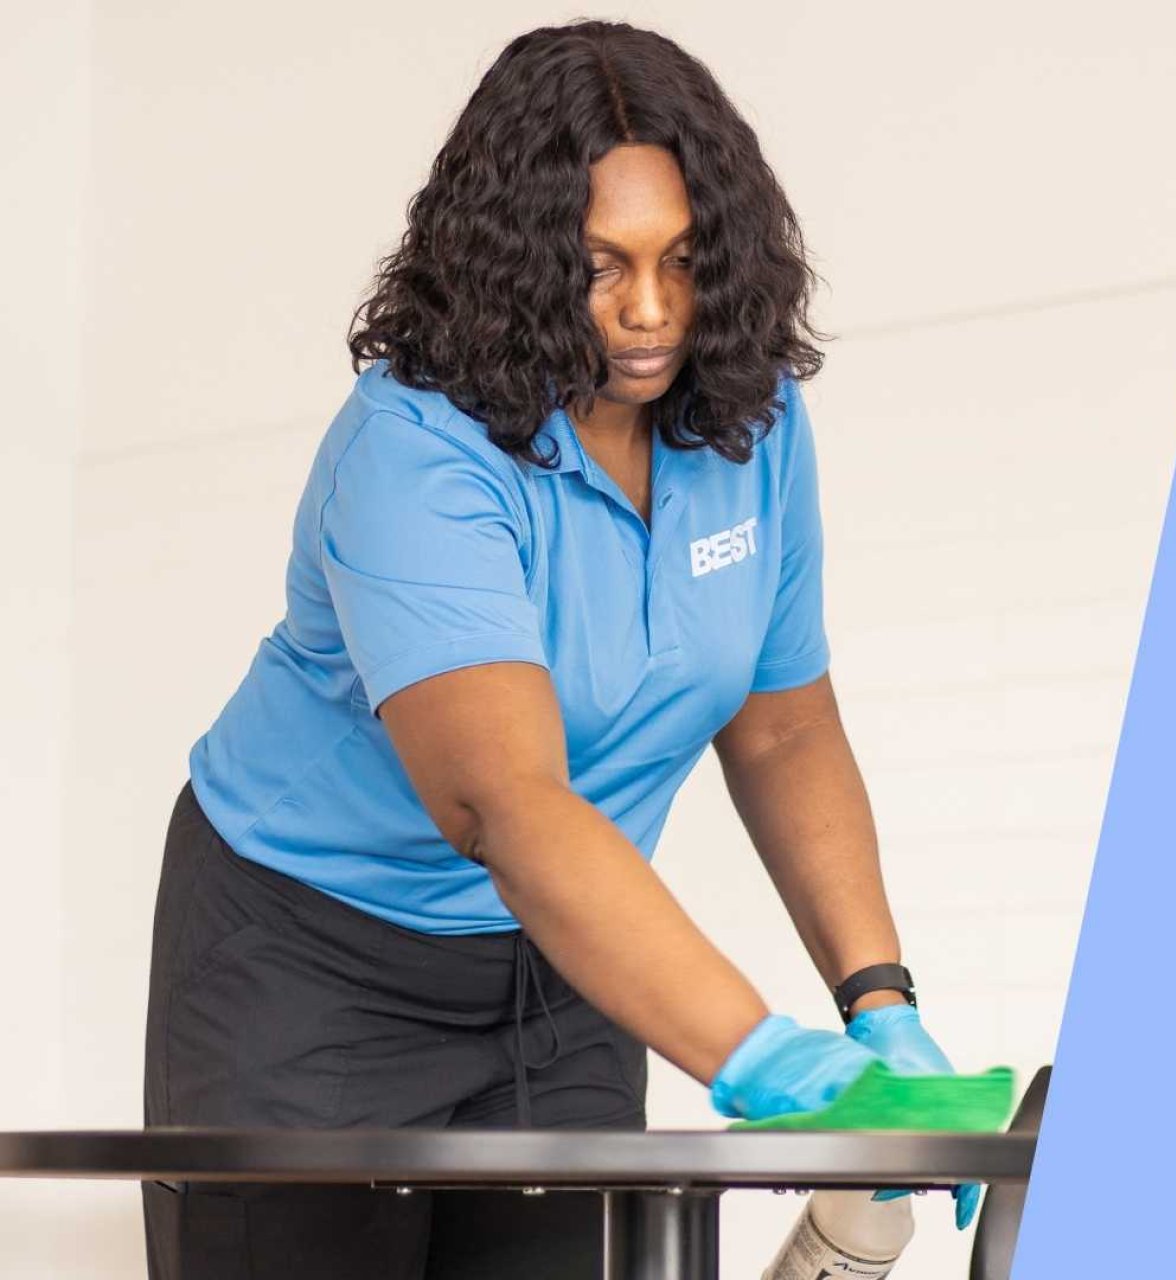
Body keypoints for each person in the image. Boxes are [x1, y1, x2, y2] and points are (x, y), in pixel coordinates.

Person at [140, 18, 978, 1279]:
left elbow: (784, 718)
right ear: (518, 262)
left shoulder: (746, 422)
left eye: (685, 261)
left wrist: (877, 1003)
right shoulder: (414, 451)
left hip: (562, 968)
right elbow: (511, 805)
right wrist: (763, 1060)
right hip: (306, 963)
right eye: (600, 266)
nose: (651, 311)